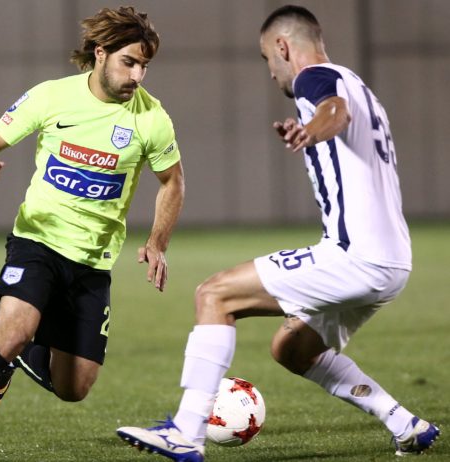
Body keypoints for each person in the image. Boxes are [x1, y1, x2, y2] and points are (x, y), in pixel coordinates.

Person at [115, 5, 440, 461]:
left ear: (283, 47)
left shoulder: (314, 79)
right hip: (394, 261)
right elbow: (343, 109)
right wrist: (314, 127)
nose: (271, 72)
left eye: (268, 58)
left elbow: (335, 111)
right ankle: (404, 423)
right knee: (292, 348)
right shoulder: (358, 83)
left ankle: (186, 432)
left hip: (356, 255)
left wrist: (310, 130)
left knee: (214, 294)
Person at [0, 6, 184, 462]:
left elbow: (172, 181)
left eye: (144, 66)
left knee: (75, 388)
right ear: (101, 53)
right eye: (129, 63)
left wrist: (157, 241)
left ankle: (20, 357)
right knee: (11, 332)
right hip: (36, 242)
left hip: (93, 262)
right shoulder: (51, 96)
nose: (137, 76)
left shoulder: (151, 118)